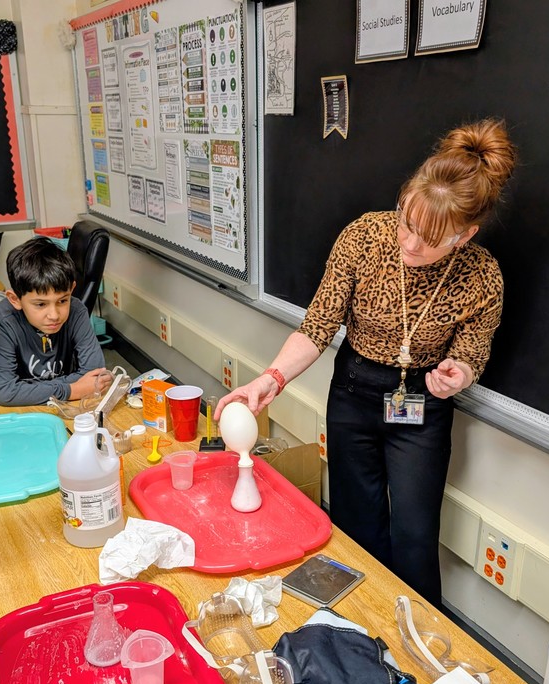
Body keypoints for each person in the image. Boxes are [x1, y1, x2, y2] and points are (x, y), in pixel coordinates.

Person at [217, 119, 517, 607]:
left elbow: (473, 348)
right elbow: (318, 325)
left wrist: (458, 374)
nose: (410, 243)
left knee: (415, 536)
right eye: (407, 223)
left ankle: (418, 636)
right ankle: (359, 627)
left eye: (431, 238)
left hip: (421, 407)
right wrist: (271, 378)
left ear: (464, 235)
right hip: (354, 392)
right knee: (356, 525)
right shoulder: (364, 237)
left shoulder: (481, 275)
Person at [0, 237, 111, 406]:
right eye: (41, 304)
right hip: (21, 409)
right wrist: (72, 390)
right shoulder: (3, 320)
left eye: (63, 301)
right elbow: (6, 393)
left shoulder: (77, 310)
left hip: (63, 406)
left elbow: (96, 376)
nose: (54, 315)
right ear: (15, 299)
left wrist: (30, 390)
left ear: (72, 289)